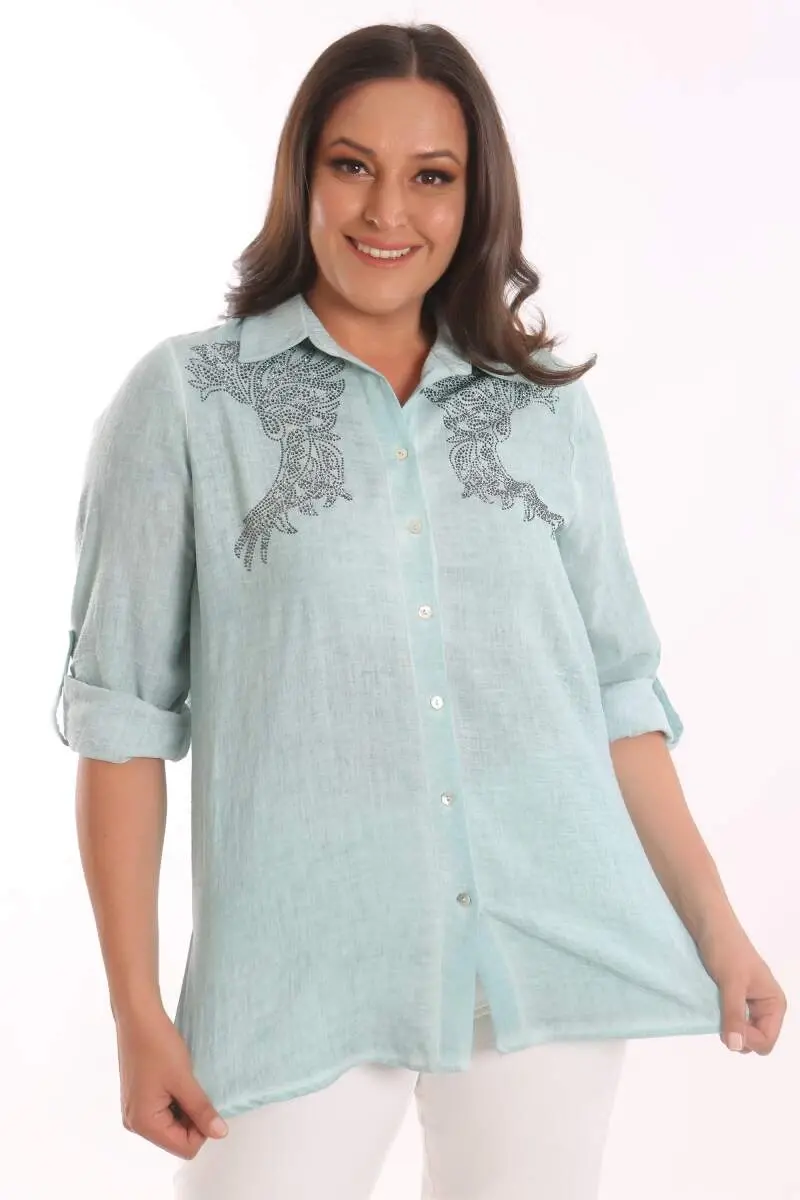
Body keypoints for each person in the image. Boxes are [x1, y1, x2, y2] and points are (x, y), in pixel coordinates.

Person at [52, 20, 786, 1200]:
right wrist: (136, 1013)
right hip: (294, 979)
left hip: (543, 959)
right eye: (351, 165)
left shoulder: (542, 415)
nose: (387, 210)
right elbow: (122, 725)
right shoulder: (187, 403)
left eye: (430, 176)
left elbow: (615, 695)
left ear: (472, 196)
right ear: (300, 174)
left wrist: (718, 928)